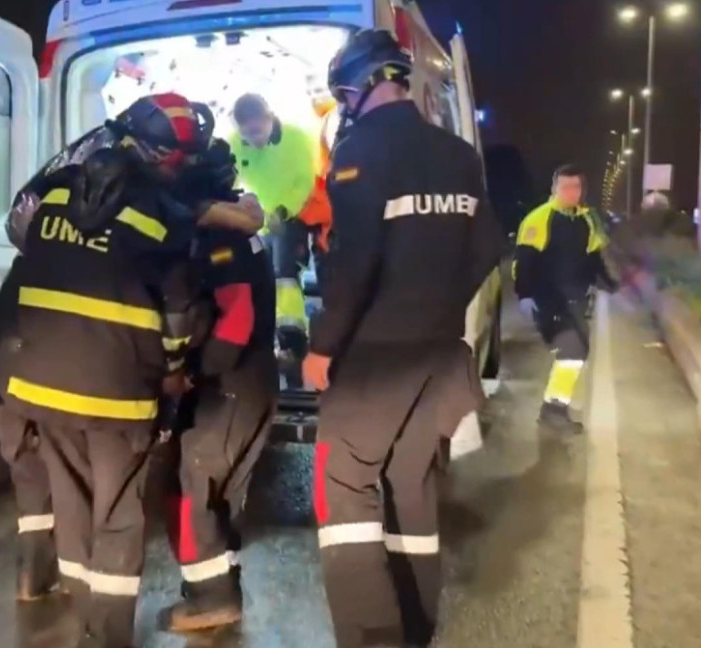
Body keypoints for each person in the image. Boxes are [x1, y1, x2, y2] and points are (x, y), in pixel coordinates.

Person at [302, 30, 505, 647]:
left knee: (343, 485)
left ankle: (371, 636)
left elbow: (356, 261)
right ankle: (417, 625)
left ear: (361, 85)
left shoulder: (359, 151)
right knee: (412, 485)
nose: (345, 108)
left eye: (343, 95)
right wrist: (436, 307)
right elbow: (488, 248)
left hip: (374, 361)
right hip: (439, 357)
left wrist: (323, 347)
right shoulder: (457, 153)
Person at [4, 93, 214, 648]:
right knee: (118, 513)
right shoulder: (165, 217)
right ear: (160, 156)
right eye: (179, 157)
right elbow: (179, 313)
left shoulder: (49, 195)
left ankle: (84, 619)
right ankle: (111, 636)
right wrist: (172, 371)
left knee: (69, 501)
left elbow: (21, 240)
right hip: (120, 396)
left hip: (41, 387)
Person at [162, 217, 278, 631]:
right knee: (222, 495)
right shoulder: (241, 234)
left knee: (196, 484)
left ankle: (212, 600)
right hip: (252, 378)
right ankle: (215, 588)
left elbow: (237, 317)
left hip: (229, 382)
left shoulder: (221, 241)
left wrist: (195, 373)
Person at [0, 252, 60, 601]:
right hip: (27, 376)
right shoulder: (79, 266)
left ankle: (32, 578)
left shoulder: (26, 262)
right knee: (60, 472)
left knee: (28, 472)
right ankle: (53, 574)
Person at [515, 165, 618, 432]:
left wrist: (609, 284)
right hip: (548, 298)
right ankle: (553, 411)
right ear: (554, 189)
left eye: (576, 187)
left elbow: (593, 257)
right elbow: (524, 261)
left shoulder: (587, 219)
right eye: (565, 187)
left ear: (582, 190)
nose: (571, 192)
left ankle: (553, 407)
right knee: (573, 352)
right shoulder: (539, 218)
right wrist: (525, 295)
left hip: (577, 298)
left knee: (577, 353)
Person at [228, 93, 319, 389]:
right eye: (246, 133)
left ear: (270, 119)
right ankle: (261, 341)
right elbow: (231, 179)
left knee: (285, 276)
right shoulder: (234, 143)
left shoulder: (296, 139)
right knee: (256, 274)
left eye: (257, 131)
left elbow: (304, 181)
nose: (252, 139)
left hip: (291, 215)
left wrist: (283, 210)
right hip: (258, 219)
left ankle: (293, 340)